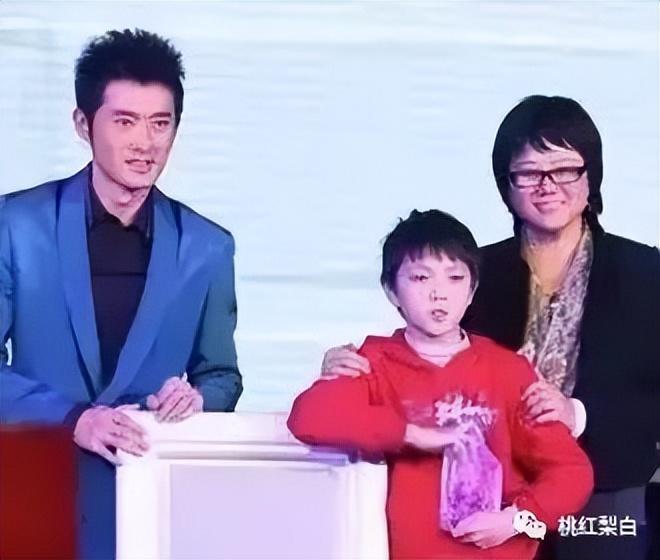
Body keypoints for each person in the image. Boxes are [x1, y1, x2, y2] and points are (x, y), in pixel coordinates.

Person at [321, 96, 659, 560]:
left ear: (591, 176)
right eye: (528, 173)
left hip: (605, 494)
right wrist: (343, 367)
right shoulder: (472, 271)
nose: (547, 186)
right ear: (506, 182)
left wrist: (576, 414)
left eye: (564, 170)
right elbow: (432, 356)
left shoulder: (645, 273)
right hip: (491, 501)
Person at [0, 29, 242, 558]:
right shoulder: (15, 226)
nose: (145, 142)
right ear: (82, 124)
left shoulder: (207, 247)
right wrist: (72, 418)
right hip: (33, 491)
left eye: (160, 123)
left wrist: (197, 399)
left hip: (149, 502)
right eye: (125, 121)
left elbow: (222, 375)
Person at [289, 209, 593, 560]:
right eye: (420, 278)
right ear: (391, 291)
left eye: (455, 277)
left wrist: (518, 519)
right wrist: (414, 434)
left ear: (472, 289)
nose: (439, 294)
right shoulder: (373, 362)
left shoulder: (508, 371)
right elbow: (309, 417)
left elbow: (570, 471)